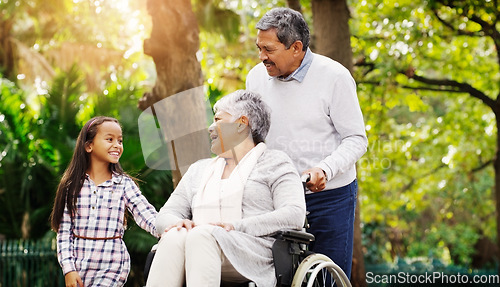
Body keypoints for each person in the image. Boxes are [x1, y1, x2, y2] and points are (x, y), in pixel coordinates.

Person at [246, 7, 368, 279]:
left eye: (268, 49)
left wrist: (324, 169)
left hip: (330, 197)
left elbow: (356, 139)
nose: (261, 57)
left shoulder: (334, 77)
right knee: (277, 277)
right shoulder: (256, 78)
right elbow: (253, 138)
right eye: (259, 48)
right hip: (277, 196)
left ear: (296, 47)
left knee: (327, 278)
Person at [146, 90, 306, 287]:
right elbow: (166, 213)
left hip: (253, 252)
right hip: (199, 243)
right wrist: (178, 223)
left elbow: (294, 213)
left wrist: (236, 226)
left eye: (218, 119)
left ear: (241, 124)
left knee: (201, 235)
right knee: (175, 235)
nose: (210, 127)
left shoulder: (275, 163)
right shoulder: (199, 169)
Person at [50, 116, 159, 287]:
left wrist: (170, 228)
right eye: (110, 139)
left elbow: (146, 214)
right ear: (89, 145)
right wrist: (69, 269)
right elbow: (64, 233)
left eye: (120, 140)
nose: (117, 145)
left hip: (113, 265)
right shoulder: (72, 187)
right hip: (80, 267)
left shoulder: (123, 184)